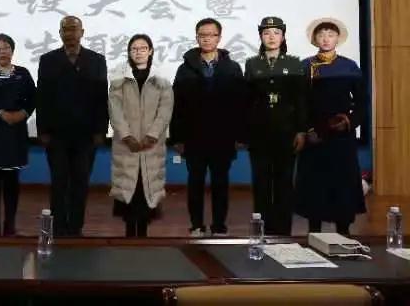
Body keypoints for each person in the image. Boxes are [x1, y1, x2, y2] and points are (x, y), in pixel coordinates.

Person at [170, 18, 246, 237]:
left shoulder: (232, 67)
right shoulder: (185, 69)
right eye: (202, 35)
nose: (207, 39)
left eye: (211, 35)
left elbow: (240, 104)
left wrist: (240, 135)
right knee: (195, 182)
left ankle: (219, 225)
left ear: (219, 38)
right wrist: (177, 138)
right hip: (194, 137)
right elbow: (177, 106)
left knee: (220, 183)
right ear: (197, 38)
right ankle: (196, 225)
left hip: (223, 137)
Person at [37, 16, 109, 237]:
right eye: (65, 30)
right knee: (59, 182)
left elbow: (101, 98)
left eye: (73, 29)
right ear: (60, 33)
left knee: (81, 182)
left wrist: (101, 130)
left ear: (82, 32)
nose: (69, 34)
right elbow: (42, 97)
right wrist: (42, 130)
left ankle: (76, 226)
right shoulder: (48, 60)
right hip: (56, 134)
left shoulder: (96, 60)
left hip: (86, 135)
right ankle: (59, 227)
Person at [296, 18, 366, 235]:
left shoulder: (349, 66)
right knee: (314, 184)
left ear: (338, 39)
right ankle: (314, 232)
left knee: (342, 183)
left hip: (341, 136)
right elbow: (299, 102)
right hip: (315, 134)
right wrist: (306, 130)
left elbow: (362, 102)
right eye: (321, 35)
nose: (326, 39)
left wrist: (349, 121)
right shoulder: (305, 66)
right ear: (314, 39)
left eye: (330, 35)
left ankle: (343, 232)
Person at [244, 16, 307, 236]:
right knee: (260, 183)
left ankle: (283, 232)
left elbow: (301, 100)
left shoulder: (294, 63)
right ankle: (262, 231)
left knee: (284, 183)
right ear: (261, 37)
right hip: (259, 134)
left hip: (286, 133)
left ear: (283, 36)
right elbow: (246, 101)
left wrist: (301, 130)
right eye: (266, 33)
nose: (271, 37)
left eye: (276, 33)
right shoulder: (252, 64)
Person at [109, 34, 173, 237]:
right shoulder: (119, 80)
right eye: (134, 49)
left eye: (143, 48)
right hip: (126, 146)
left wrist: (152, 135)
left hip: (151, 146)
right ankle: (129, 235)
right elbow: (115, 110)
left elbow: (165, 111)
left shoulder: (161, 80)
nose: (138, 52)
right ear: (129, 52)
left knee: (147, 190)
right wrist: (126, 136)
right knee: (129, 189)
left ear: (150, 51)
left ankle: (143, 237)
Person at [0, 34, 36, 236]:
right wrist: (1, 113)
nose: (3, 52)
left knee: (12, 182)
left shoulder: (23, 74)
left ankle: (10, 225)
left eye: (6, 48)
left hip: (15, 133)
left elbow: (33, 99)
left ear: (12, 50)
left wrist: (22, 114)